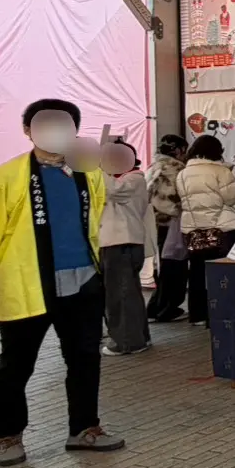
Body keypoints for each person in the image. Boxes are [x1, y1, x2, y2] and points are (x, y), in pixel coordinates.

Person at [0, 99, 126, 466]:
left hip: (83, 282)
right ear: (28, 130)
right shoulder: (8, 176)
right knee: (16, 364)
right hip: (26, 285)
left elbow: (95, 221)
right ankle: (7, 435)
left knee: (85, 359)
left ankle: (84, 428)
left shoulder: (89, 173)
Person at [176, 135, 235, 326]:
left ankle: (198, 314)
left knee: (197, 272)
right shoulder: (220, 171)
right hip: (221, 229)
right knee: (223, 272)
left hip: (193, 230)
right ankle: (222, 313)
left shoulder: (183, 173)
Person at [99, 140, 151, 355]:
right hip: (119, 242)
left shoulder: (133, 179)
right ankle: (138, 337)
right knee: (128, 292)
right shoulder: (123, 179)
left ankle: (127, 342)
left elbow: (114, 191)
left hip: (121, 243)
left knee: (120, 294)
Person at [146, 135, 188, 322]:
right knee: (174, 266)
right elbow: (180, 197)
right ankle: (166, 308)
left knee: (162, 266)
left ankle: (155, 307)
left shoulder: (153, 167)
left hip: (153, 222)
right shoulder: (177, 169)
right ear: (178, 150)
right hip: (172, 223)